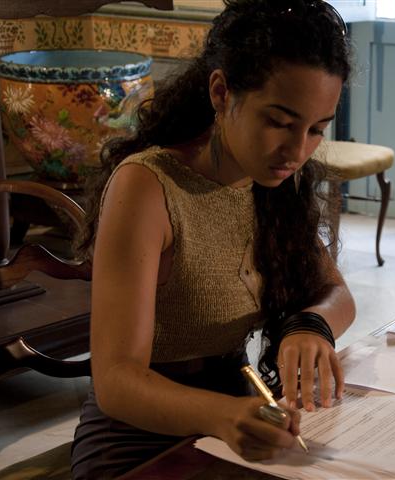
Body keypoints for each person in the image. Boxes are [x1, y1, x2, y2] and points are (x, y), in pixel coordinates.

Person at [71, 0, 355, 477]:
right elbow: (116, 381)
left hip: (238, 422)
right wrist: (221, 416)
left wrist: (311, 325)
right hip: (139, 443)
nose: (297, 150)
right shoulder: (149, 186)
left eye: (316, 130)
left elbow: (337, 294)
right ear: (221, 92)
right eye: (280, 123)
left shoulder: (273, 183)